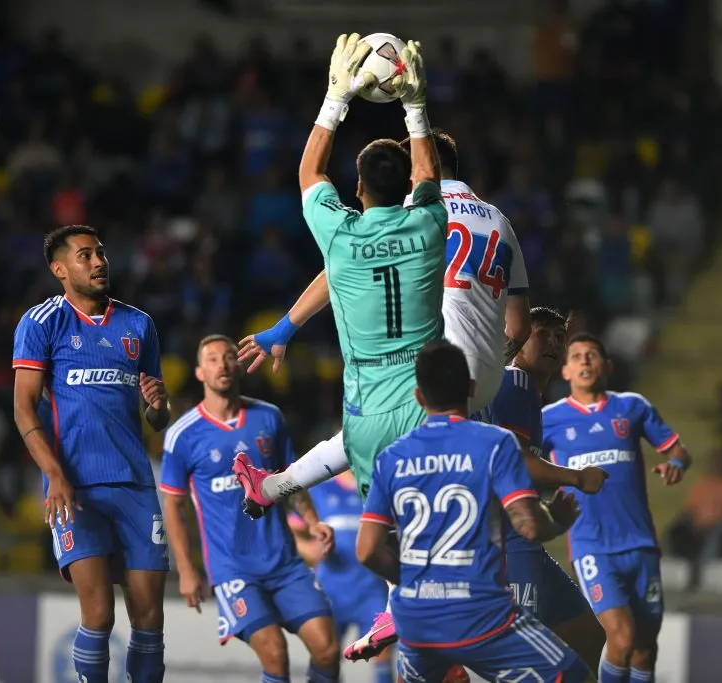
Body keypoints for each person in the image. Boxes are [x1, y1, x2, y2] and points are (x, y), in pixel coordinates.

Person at [236, 115, 529, 664]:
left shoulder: (415, 216)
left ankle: (424, 603)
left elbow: (341, 266)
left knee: (396, 470)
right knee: (406, 456)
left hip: (429, 366)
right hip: (482, 370)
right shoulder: (496, 220)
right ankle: (275, 488)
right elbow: (519, 324)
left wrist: (286, 327)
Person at [356, 340, 592, 683]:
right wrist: (557, 520)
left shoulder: (392, 458)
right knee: (576, 676)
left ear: (419, 396)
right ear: (471, 389)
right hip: (481, 616)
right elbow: (528, 526)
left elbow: (366, 551)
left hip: (417, 622)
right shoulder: (496, 444)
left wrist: (414, 582)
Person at [12, 224, 170, 683]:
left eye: (101, 253)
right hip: (75, 488)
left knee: (149, 620)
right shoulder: (42, 322)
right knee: (99, 615)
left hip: (136, 486)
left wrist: (159, 408)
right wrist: (54, 474)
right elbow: (23, 409)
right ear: (59, 269)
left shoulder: (139, 324)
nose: (99, 262)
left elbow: (156, 417)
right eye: (85, 255)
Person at [159, 335, 341, 683]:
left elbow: (292, 479)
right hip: (233, 570)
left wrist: (313, 520)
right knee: (275, 654)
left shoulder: (268, 417)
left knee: (328, 650)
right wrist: (185, 569)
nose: (222, 364)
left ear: (239, 364)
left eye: (229, 356)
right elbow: (174, 507)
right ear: (199, 373)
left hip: (286, 564)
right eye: (212, 359)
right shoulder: (183, 435)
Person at [542, 333, 693, 683]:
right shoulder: (549, 419)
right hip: (592, 546)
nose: (584, 361)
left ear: (606, 366)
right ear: (564, 370)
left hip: (640, 543)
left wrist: (677, 466)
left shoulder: (632, 407)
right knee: (621, 638)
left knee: (643, 647)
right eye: (576, 356)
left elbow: (678, 450)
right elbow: (521, 460)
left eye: (591, 354)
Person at [479, 307, 607, 669]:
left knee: (589, 638)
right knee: (524, 659)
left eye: (559, 337)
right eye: (543, 334)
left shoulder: (527, 394)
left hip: (526, 539)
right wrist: (578, 477)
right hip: (506, 540)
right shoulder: (515, 383)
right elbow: (514, 461)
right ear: (518, 340)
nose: (553, 342)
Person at [290, 470, 394, 683]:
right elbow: (289, 523)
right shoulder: (320, 487)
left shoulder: (376, 488)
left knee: (382, 654)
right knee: (326, 656)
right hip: (332, 591)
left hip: (371, 591)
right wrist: (306, 547)